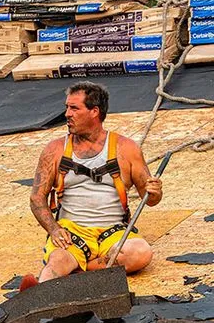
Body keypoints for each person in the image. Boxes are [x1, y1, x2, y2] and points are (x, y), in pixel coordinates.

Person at [28, 81, 163, 282]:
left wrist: (155, 192)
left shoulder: (126, 149)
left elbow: (150, 200)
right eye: (67, 107)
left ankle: (80, 270)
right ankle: (41, 290)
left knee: (140, 253)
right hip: (72, 233)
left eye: (74, 108)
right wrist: (54, 229)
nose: (67, 114)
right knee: (57, 262)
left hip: (113, 233)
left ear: (94, 112)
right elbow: (37, 198)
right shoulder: (54, 150)